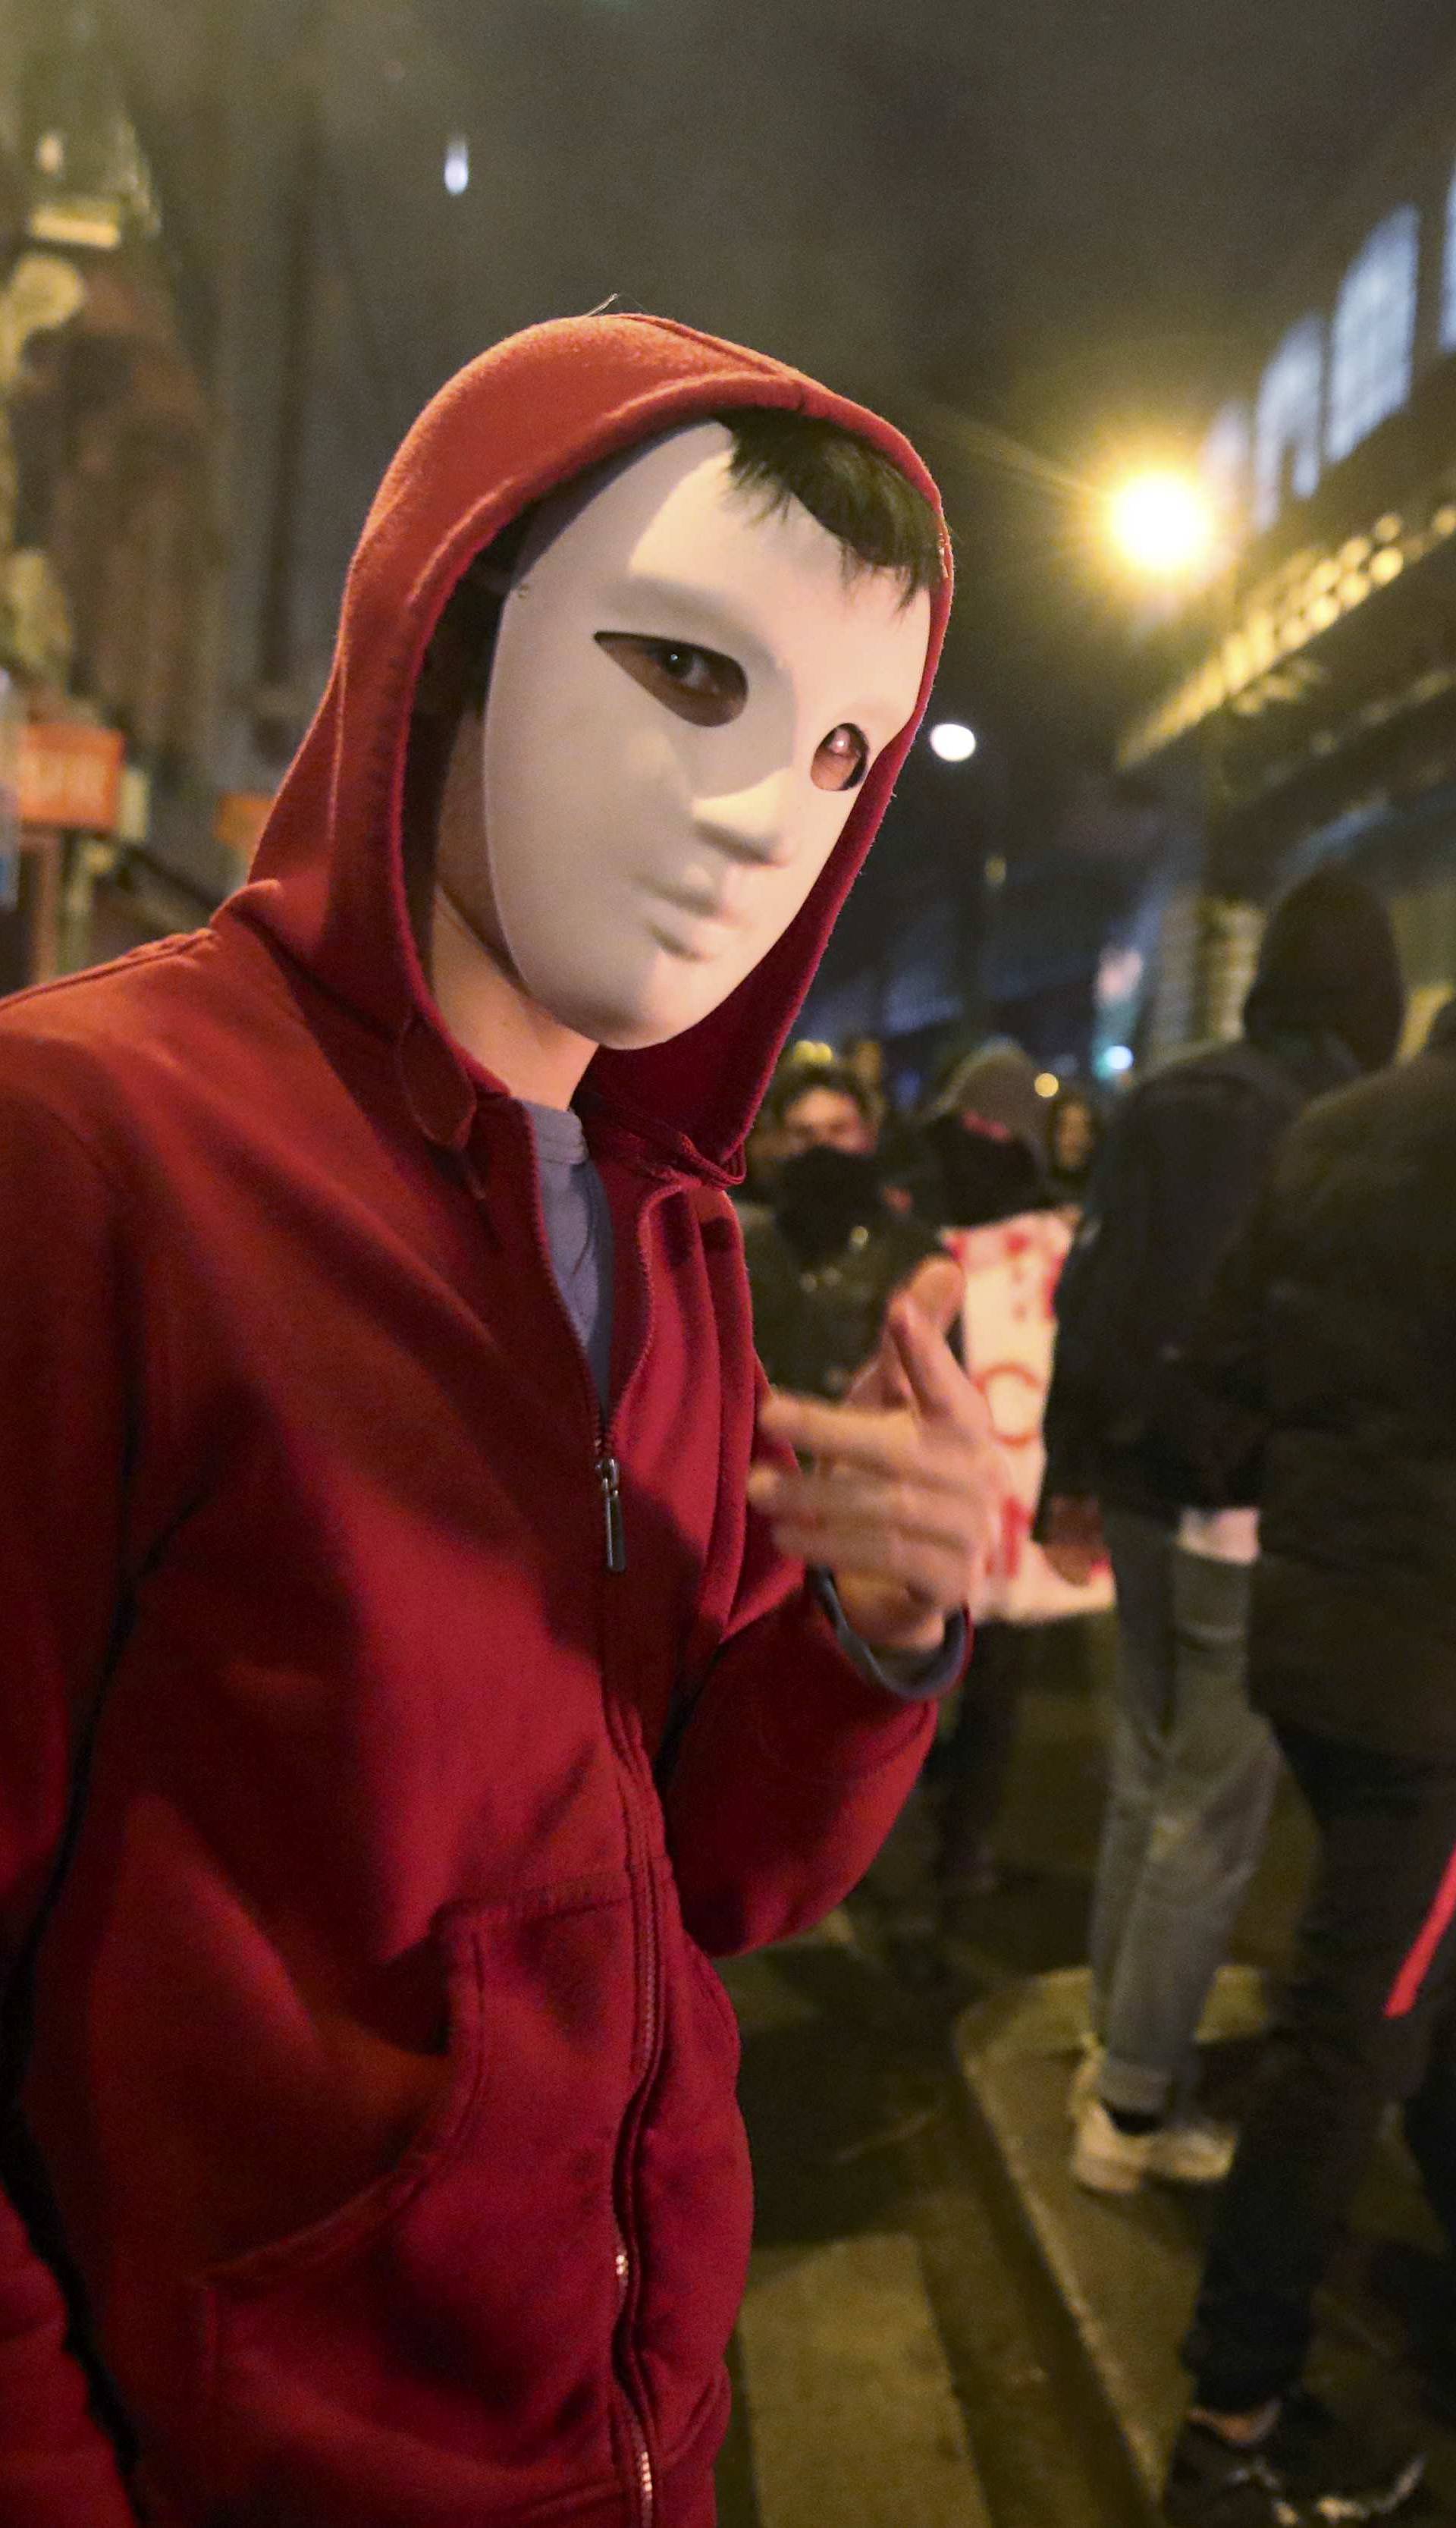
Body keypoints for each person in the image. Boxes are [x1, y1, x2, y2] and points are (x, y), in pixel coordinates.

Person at [0, 314, 998, 2528]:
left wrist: (879, 1627)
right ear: (443, 630)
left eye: (847, 750)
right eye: (684, 674)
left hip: (635, 2434)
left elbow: (703, 1868)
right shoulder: (85, 1152)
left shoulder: (669, 1233)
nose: (762, 821)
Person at [1039, 871, 1405, 2197]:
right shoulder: (1337, 1125)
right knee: (1212, 1808)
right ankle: (1132, 2111)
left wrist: (1070, 1465)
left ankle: (1107, 2035)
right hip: (1242, 1509)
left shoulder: (1171, 1093)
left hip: (1132, 1485)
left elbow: (1095, 1285)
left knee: (1146, 1780)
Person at [1160, 978, 1456, 2524]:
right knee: (1351, 2032)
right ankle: (1232, 2410)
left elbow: (1221, 1379)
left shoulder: (1338, 1129)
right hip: (1438, 1690)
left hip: (1324, 1646)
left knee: (1409, 1983)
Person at [916, 1043, 1112, 1914]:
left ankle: (963, 1846)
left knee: (991, 1680)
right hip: (950, 1487)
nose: (974, 1145)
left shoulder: (1058, 1251)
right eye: (964, 1129)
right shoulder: (928, 1232)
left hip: (1014, 1497)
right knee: (926, 1657)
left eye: (991, 1131)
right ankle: (940, 1821)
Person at [742, 1063, 940, 1399]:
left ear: (867, 1135)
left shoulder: (912, 1252)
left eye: (838, 1130)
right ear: (779, 1142)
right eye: (804, 1134)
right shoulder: (751, 1254)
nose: (822, 1147)